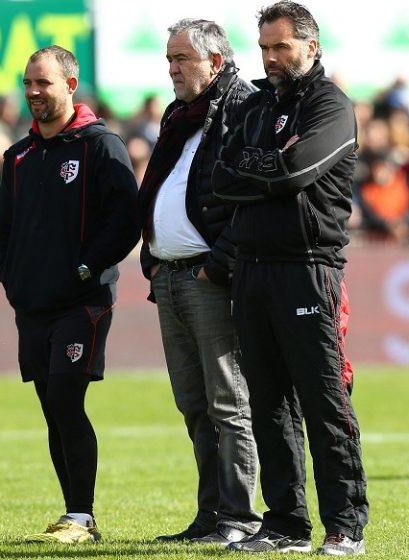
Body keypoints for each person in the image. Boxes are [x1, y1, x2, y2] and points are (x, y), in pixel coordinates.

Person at [212, 2, 368, 555]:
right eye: (264, 48)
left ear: (312, 46)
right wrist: (269, 168)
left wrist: (266, 170)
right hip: (251, 269)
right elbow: (219, 178)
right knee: (267, 404)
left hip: (307, 268)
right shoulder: (255, 107)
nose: (271, 58)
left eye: (281, 47)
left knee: (324, 400)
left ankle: (346, 525)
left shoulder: (331, 105)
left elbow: (297, 171)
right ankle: (285, 524)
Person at [0, 45, 140, 545]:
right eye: (29, 83)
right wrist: (10, 278)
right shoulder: (19, 156)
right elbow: (2, 227)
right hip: (32, 304)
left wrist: (86, 267)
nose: (34, 92)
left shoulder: (100, 147)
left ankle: (82, 516)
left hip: (84, 301)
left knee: (65, 398)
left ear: (70, 86)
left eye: (44, 83)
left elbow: (126, 220)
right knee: (51, 408)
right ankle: (72, 514)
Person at [137, 18, 260, 547]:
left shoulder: (244, 106)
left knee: (228, 403)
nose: (172, 69)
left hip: (209, 278)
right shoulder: (178, 115)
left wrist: (218, 264)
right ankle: (211, 516)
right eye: (169, 59)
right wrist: (154, 260)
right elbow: (160, 187)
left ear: (215, 61)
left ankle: (240, 517)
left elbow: (250, 198)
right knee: (193, 403)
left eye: (181, 59)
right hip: (170, 276)